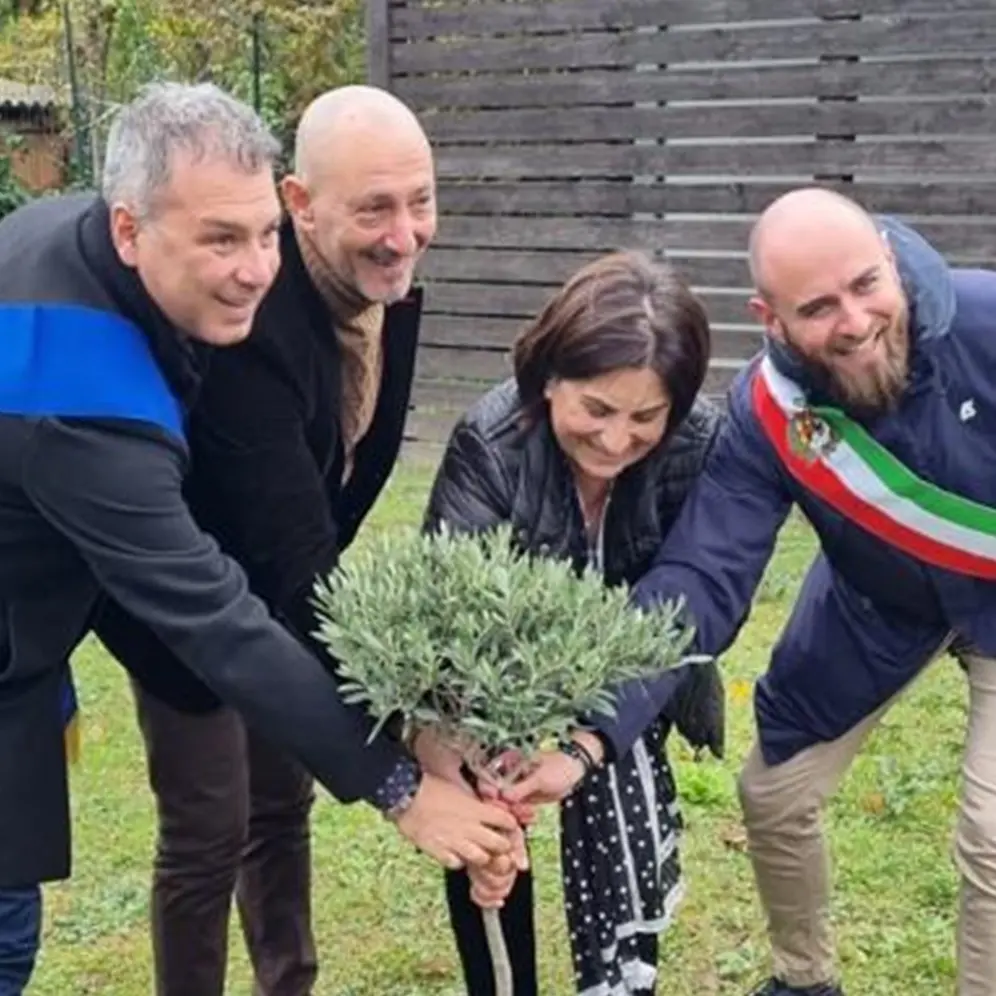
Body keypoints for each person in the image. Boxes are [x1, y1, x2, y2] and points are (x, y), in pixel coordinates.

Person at [0, 81, 521, 996]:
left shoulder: (62, 235)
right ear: (131, 230)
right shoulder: (79, 395)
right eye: (220, 240)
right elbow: (214, 612)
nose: (254, 270)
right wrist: (399, 782)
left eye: (262, 235)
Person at [508, 187, 996, 996]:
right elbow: (702, 575)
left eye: (866, 284)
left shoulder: (985, 320)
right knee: (772, 791)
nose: (855, 320)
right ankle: (803, 980)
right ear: (770, 320)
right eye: (818, 307)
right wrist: (591, 731)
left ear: (887, 255)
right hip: (879, 607)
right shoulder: (769, 415)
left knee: (992, 835)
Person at [91, 82, 444, 996]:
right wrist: (407, 727)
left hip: (287, 601)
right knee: (209, 829)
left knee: (282, 807)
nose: (402, 233)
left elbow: (339, 494)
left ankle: (288, 984)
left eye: (420, 201)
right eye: (373, 208)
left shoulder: (386, 286)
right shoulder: (253, 318)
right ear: (301, 204)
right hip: (191, 615)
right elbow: (293, 556)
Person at [417, 250, 726, 996]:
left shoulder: (699, 445)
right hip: (506, 672)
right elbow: (444, 627)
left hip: (630, 667)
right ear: (551, 377)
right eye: (596, 409)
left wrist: (586, 745)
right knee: (490, 807)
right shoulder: (487, 443)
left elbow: (690, 609)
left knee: (616, 792)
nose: (618, 441)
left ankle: (620, 981)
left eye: (646, 416)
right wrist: (458, 759)